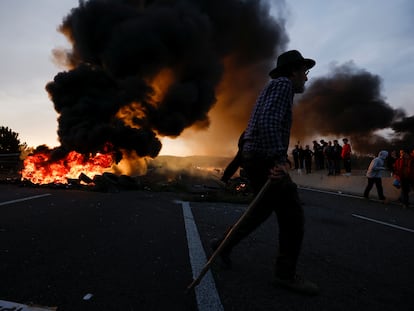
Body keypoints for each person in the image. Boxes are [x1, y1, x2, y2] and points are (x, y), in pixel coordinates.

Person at [211, 50, 319, 295]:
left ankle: (222, 245)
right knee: (292, 214)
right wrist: (278, 158)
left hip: (255, 158)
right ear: (293, 71)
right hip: (264, 159)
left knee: (259, 212)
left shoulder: (275, 87)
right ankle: (285, 275)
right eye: (304, 72)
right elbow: (269, 121)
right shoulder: (283, 85)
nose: (306, 78)